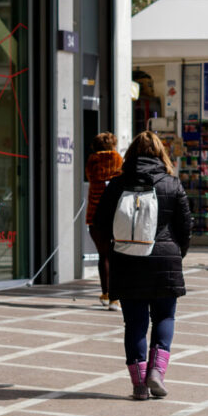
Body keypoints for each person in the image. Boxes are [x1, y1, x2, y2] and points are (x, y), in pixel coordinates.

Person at [94, 131, 192, 400]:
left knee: (134, 323)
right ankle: (156, 374)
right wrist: (175, 255)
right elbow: (185, 228)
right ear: (161, 154)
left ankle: (139, 385)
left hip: (127, 261)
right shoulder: (172, 185)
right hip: (165, 259)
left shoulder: (116, 185)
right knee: (164, 317)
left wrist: (111, 254)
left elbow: (99, 225)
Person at [85, 132, 124, 310]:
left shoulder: (92, 161)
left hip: (96, 214)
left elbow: (90, 178)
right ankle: (116, 299)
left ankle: (106, 294)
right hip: (116, 214)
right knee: (116, 256)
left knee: (104, 256)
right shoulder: (118, 159)